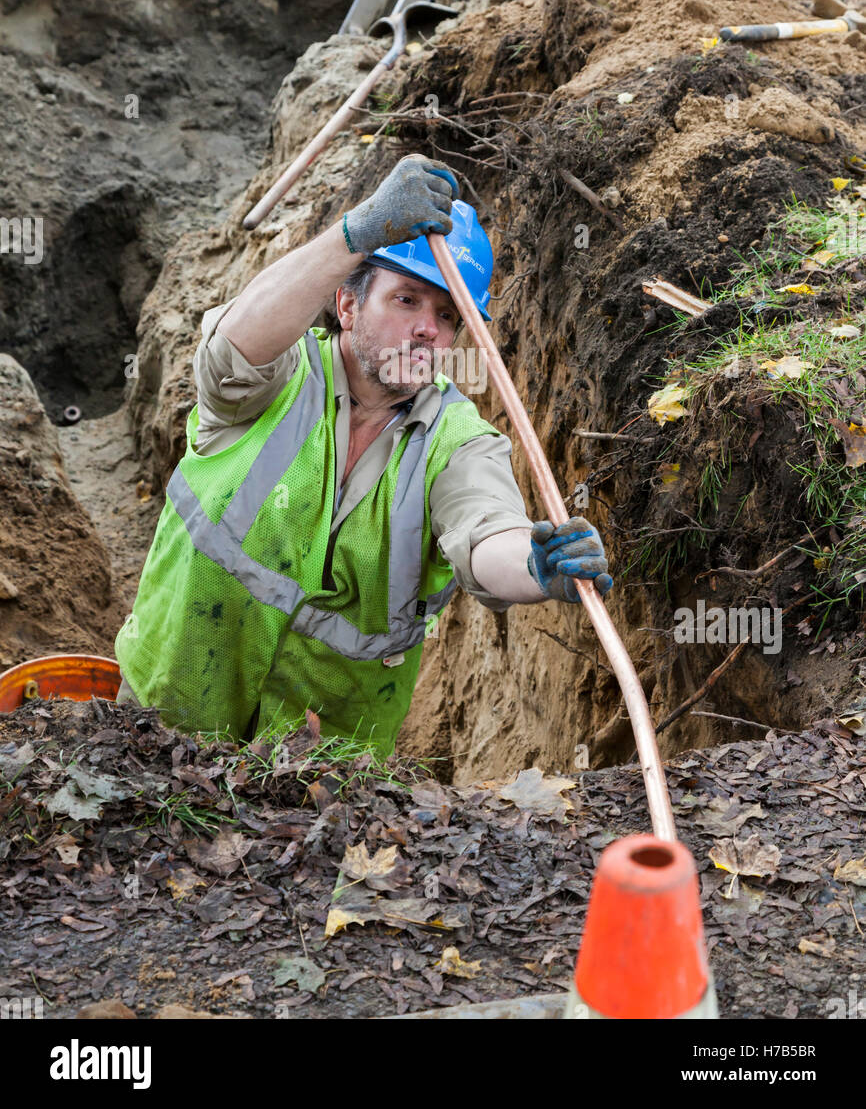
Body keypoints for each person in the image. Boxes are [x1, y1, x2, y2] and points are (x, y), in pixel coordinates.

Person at [115, 154, 612, 753]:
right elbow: (232, 348)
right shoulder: (279, 376)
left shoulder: (459, 441)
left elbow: (487, 533)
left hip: (318, 792)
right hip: (163, 725)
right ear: (348, 306)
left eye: (448, 316)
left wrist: (536, 568)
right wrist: (356, 233)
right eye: (407, 300)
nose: (429, 329)